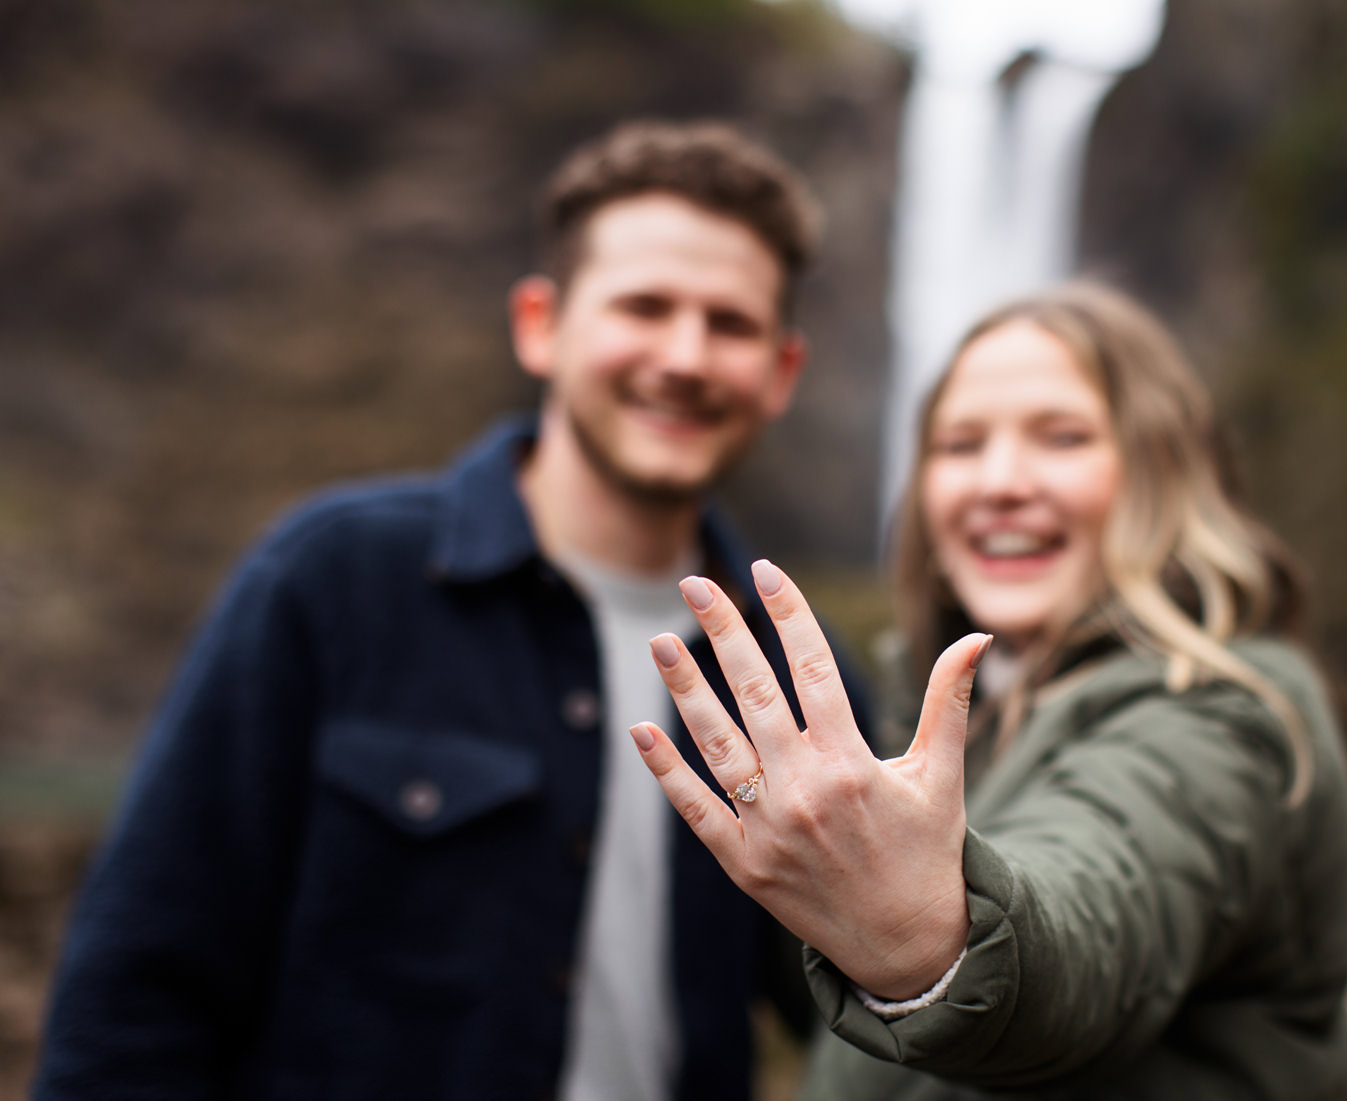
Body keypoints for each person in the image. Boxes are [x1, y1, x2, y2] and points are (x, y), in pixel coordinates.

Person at [34, 120, 874, 1101]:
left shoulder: (798, 679)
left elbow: (870, 1012)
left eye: (729, 324)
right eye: (644, 307)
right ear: (539, 325)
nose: (683, 356)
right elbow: (136, 994)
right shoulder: (333, 582)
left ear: (780, 371)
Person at [630, 280, 1347, 1098]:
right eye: (960, 445)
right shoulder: (943, 711)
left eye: (1063, 437)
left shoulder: (1230, 712)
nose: (1002, 481)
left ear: (1164, 472)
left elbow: (1102, 902)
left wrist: (929, 938)